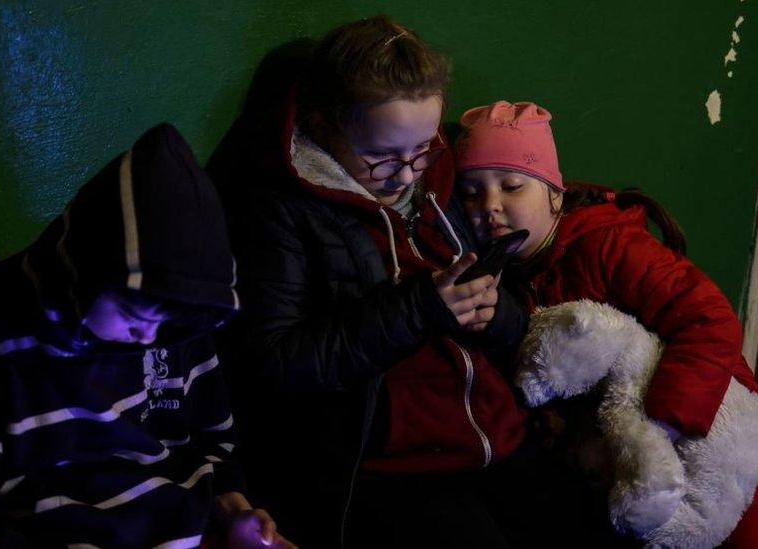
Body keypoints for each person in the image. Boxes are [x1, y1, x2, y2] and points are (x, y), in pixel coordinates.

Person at [0, 123, 294, 548]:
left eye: (168, 322)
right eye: (131, 312)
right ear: (83, 275)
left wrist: (236, 513)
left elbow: (213, 446)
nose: (149, 336)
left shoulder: (177, 323)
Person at [210, 17, 529, 547]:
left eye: (423, 148)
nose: (406, 174)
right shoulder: (279, 209)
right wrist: (420, 309)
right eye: (381, 156)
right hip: (388, 464)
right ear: (325, 124)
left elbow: (509, 322)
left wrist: (497, 313)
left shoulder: (438, 175)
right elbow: (273, 363)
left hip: (498, 434)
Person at [455, 100, 758, 547]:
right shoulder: (505, 281)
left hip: (726, 455)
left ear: (555, 193)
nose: (490, 206)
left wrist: (660, 428)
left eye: (512, 186)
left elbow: (709, 317)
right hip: (640, 483)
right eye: (473, 192)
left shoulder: (607, 245)